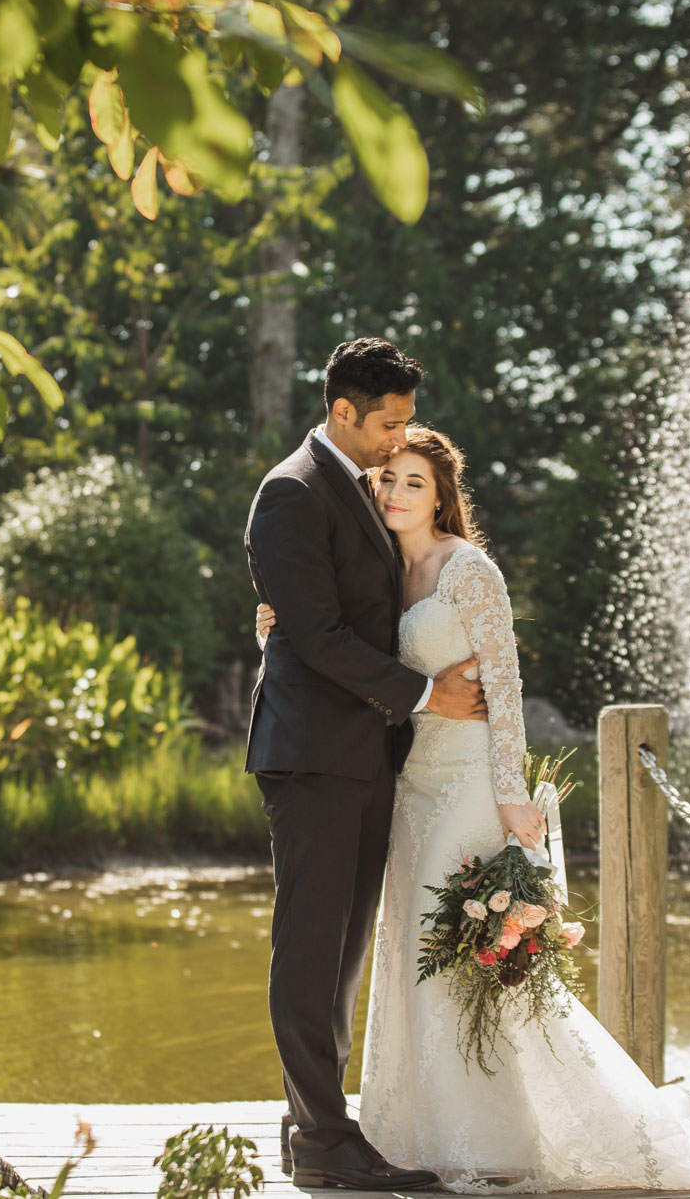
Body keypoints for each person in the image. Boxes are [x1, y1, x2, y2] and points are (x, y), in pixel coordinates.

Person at [254, 422, 690, 1194]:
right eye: (387, 479)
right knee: (415, 961)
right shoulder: (383, 572)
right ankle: (416, 1129)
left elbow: (505, 687)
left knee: (471, 965)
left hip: (469, 789)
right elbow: (336, 644)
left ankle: (504, 1132)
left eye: (414, 482)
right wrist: (275, 629)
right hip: (408, 785)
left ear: (442, 495)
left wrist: (515, 802)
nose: (395, 492)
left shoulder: (469, 569)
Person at [243, 338, 498, 1193]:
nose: (399, 441)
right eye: (387, 423)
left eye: (406, 425)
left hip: (362, 759)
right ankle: (321, 1137)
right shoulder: (291, 491)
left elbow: (346, 610)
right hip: (313, 760)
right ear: (342, 411)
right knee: (312, 951)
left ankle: (311, 1125)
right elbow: (315, 635)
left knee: (344, 950)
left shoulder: (356, 491)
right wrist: (426, 697)